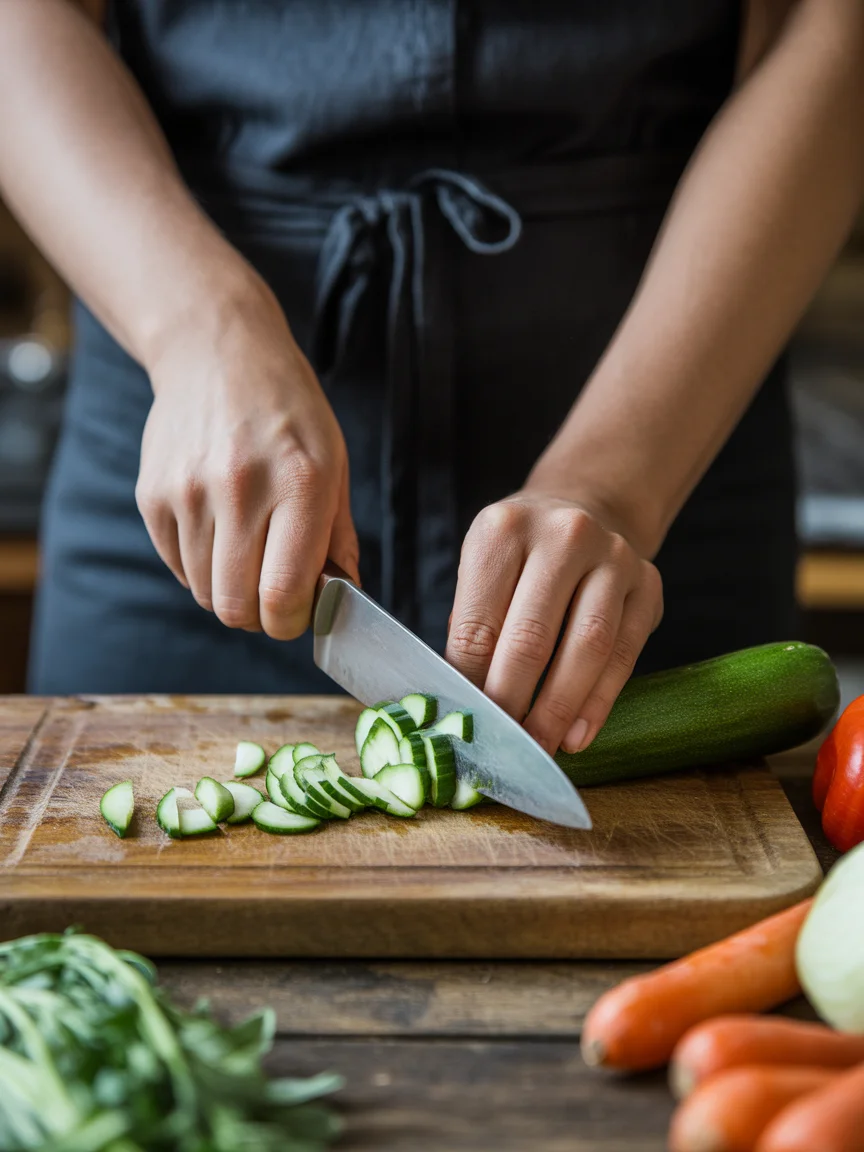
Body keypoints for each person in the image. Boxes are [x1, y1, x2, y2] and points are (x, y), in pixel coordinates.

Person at [1, 0, 862, 759]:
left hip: (678, 388)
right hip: (193, 419)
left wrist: (616, 485)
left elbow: (829, 26)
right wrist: (200, 327)